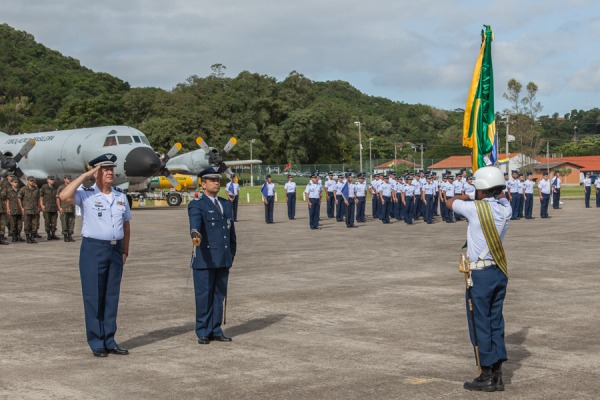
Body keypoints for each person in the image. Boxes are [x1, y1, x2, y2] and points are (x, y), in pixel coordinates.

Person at [58, 154, 132, 357]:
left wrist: (125, 251)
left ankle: (110, 339)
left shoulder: (120, 196)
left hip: (115, 250)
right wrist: (86, 175)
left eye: (111, 169)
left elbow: (126, 225)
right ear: (96, 173)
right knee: (93, 296)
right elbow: (64, 197)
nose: (110, 172)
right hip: (93, 249)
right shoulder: (86, 194)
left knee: (111, 296)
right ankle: (96, 341)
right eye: (104, 169)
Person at [447, 166, 512, 392]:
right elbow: (501, 197)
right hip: (498, 271)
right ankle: (497, 374)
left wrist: (469, 193)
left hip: (480, 276)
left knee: (480, 323)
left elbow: (450, 202)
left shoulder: (473, 208)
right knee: (496, 321)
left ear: (481, 190)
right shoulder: (506, 209)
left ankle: (485, 374)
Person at [189, 166, 236, 344]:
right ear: (203, 184)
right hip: (205, 258)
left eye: (218, 180)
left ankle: (215, 329)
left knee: (218, 296)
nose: (216, 183)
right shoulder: (197, 204)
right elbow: (195, 222)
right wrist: (195, 233)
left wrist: (231, 254)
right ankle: (202, 331)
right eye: (212, 180)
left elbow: (231, 232)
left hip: (223, 258)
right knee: (203, 296)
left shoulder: (225, 204)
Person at [18, 176, 41, 244]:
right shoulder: (23, 189)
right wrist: (21, 207)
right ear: (27, 181)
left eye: (33, 181)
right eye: (31, 181)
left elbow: (39, 198)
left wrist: (39, 206)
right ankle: (28, 237)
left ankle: (32, 237)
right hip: (27, 209)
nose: (32, 182)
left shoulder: (36, 189)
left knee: (34, 224)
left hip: (34, 209)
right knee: (27, 224)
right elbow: (19, 197)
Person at [39, 175, 61, 240]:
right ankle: (48, 235)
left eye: (53, 179)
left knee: (54, 222)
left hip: (54, 207)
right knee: (47, 222)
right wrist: (41, 205)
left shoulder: (56, 187)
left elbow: (58, 197)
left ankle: (53, 234)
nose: (52, 181)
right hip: (47, 207)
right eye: (51, 179)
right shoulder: (44, 187)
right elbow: (40, 196)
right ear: (47, 180)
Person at [56, 175, 76, 242]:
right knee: (64, 222)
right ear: (64, 179)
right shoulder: (61, 187)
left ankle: (70, 235)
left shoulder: (73, 187)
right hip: (64, 208)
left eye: (70, 179)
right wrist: (59, 207)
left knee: (71, 222)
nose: (69, 180)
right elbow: (58, 198)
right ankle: (65, 236)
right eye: (67, 179)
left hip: (71, 208)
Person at [4, 177, 24, 242]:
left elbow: (22, 200)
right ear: (11, 183)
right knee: (13, 224)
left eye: (17, 182)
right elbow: (7, 201)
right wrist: (8, 209)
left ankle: (18, 235)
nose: (16, 184)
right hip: (12, 209)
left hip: (19, 209)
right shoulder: (9, 191)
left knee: (19, 224)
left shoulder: (20, 191)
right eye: (15, 182)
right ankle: (13, 237)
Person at [0, 176, 10, 245]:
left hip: (2, 209)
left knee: (2, 224)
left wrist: (7, 208)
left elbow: (6, 198)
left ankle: (1, 238)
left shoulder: (4, 188)